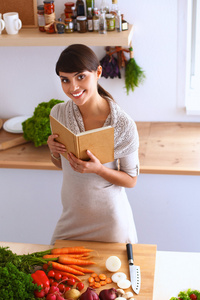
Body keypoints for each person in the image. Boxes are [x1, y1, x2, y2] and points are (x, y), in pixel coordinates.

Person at [47, 44, 140, 244]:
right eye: (65, 80)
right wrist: (54, 151)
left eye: (81, 77)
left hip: (110, 222)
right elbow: (62, 165)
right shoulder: (58, 114)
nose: (73, 88)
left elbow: (131, 180)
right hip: (71, 218)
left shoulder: (123, 125)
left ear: (98, 72)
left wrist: (99, 169)